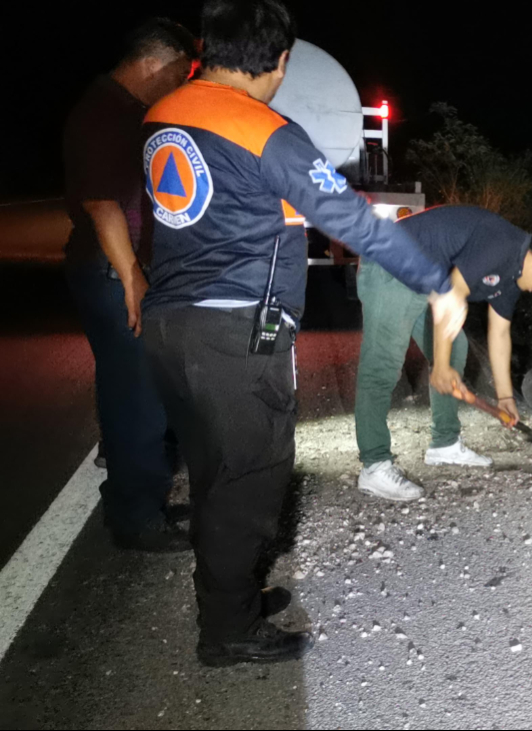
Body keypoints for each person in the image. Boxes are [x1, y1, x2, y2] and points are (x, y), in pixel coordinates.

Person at [139, 0, 463, 667]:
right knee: (250, 477)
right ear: (280, 61)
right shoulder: (263, 131)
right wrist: (435, 280)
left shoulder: (164, 115)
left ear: (206, 49)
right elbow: (354, 221)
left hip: (173, 323)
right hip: (233, 332)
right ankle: (227, 632)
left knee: (212, 471)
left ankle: (234, 598)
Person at [62, 18, 197, 552]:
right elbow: (102, 204)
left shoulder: (117, 107)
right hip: (110, 272)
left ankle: (134, 499)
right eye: (179, 74)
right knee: (140, 398)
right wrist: (133, 278)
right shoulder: (106, 114)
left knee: (126, 391)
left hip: (106, 270)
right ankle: (138, 516)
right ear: (152, 65)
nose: (180, 86)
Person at [354, 206, 532, 501]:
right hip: (391, 265)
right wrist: (440, 367)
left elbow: (499, 334)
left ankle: (444, 443)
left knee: (456, 348)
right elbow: (453, 294)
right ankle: (374, 466)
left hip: (423, 281)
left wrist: (505, 398)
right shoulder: (502, 243)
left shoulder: (513, 277)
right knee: (382, 365)